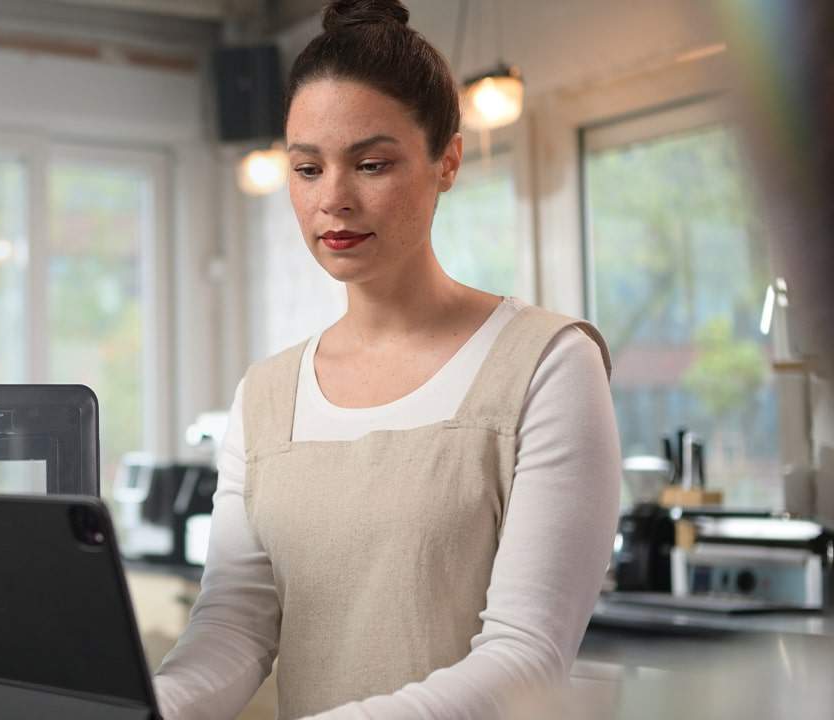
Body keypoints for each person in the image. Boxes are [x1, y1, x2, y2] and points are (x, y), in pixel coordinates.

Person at [152, 1, 621, 718]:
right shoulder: (266, 395)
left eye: (371, 164)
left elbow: (526, 657)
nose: (333, 199)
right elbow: (234, 630)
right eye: (307, 168)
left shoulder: (548, 364)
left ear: (448, 161)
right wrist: (146, 707)